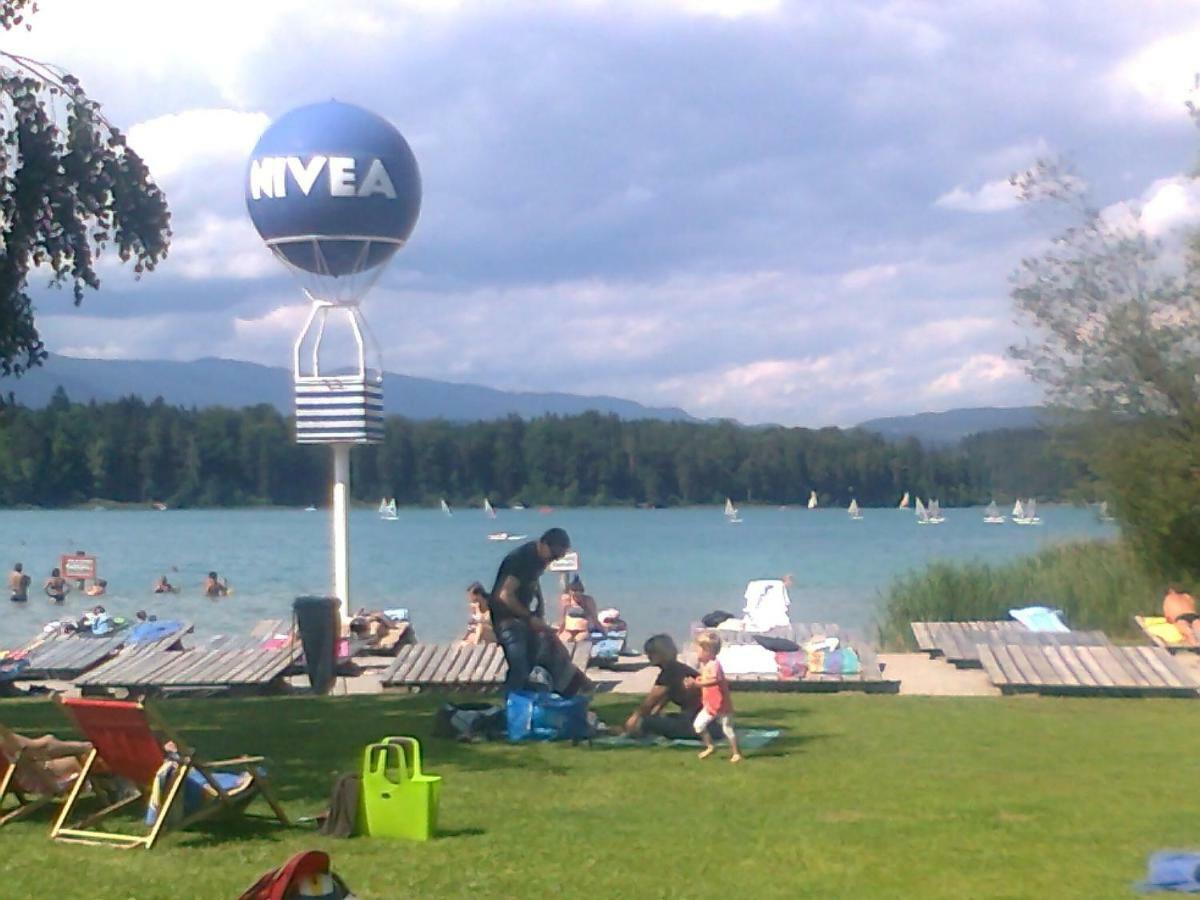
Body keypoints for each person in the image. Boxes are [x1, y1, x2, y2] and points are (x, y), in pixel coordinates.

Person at [489, 527, 588, 695]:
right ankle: (514, 709)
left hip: (523, 618)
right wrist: (529, 618)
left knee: (531, 664)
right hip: (506, 620)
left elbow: (533, 584)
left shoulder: (539, 559)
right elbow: (505, 595)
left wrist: (539, 608)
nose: (552, 560)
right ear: (543, 544)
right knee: (519, 667)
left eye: (557, 558)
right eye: (553, 555)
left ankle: (529, 704)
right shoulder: (521, 559)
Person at [624, 634, 718, 740]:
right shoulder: (678, 669)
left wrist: (634, 720)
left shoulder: (669, 673)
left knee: (645, 722)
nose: (648, 656)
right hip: (711, 724)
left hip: (702, 725)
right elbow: (658, 705)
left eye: (650, 653)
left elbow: (647, 705)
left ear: (659, 654)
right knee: (656, 719)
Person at [693, 631, 742, 762]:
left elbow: (714, 680)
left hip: (722, 704)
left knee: (727, 728)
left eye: (698, 650)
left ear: (708, 651)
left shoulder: (715, 664)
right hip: (710, 704)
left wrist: (698, 684)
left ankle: (736, 753)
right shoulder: (705, 665)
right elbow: (705, 678)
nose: (696, 653)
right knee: (698, 725)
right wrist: (698, 680)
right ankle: (710, 746)